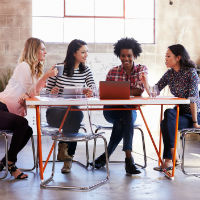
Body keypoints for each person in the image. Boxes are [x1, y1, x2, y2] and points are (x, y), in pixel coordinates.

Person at [0, 37, 58, 179]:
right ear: (34, 51)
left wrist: (46, 91)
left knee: (28, 130)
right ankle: (11, 164)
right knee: (23, 124)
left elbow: (32, 94)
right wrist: (45, 77)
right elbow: (31, 92)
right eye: (42, 49)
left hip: (8, 110)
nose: (45, 52)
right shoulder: (24, 66)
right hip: (1, 107)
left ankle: (4, 162)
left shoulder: (33, 71)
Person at [91, 37, 148, 175]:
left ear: (134, 55)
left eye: (129, 55)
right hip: (112, 110)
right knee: (125, 117)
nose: (126, 59)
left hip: (129, 110)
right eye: (123, 56)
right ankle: (128, 161)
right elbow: (106, 91)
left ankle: (111, 158)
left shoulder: (141, 69)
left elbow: (140, 90)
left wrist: (119, 90)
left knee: (125, 117)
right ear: (119, 56)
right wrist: (129, 90)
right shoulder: (113, 71)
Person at [140, 44, 200, 173]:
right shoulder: (170, 74)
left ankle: (169, 159)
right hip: (180, 113)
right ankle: (173, 155)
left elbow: (193, 99)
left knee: (166, 120)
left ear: (178, 58)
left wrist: (195, 122)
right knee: (168, 116)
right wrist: (145, 82)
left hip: (195, 115)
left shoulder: (191, 73)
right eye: (165, 56)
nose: (165, 59)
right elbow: (154, 92)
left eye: (168, 56)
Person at [46, 39, 95, 173]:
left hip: (73, 114)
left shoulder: (86, 70)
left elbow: (94, 89)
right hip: (55, 113)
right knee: (75, 115)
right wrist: (52, 92)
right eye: (83, 52)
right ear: (74, 53)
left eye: (87, 52)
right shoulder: (58, 68)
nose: (86, 55)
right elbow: (44, 93)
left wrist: (90, 91)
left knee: (75, 113)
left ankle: (65, 154)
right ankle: (66, 157)